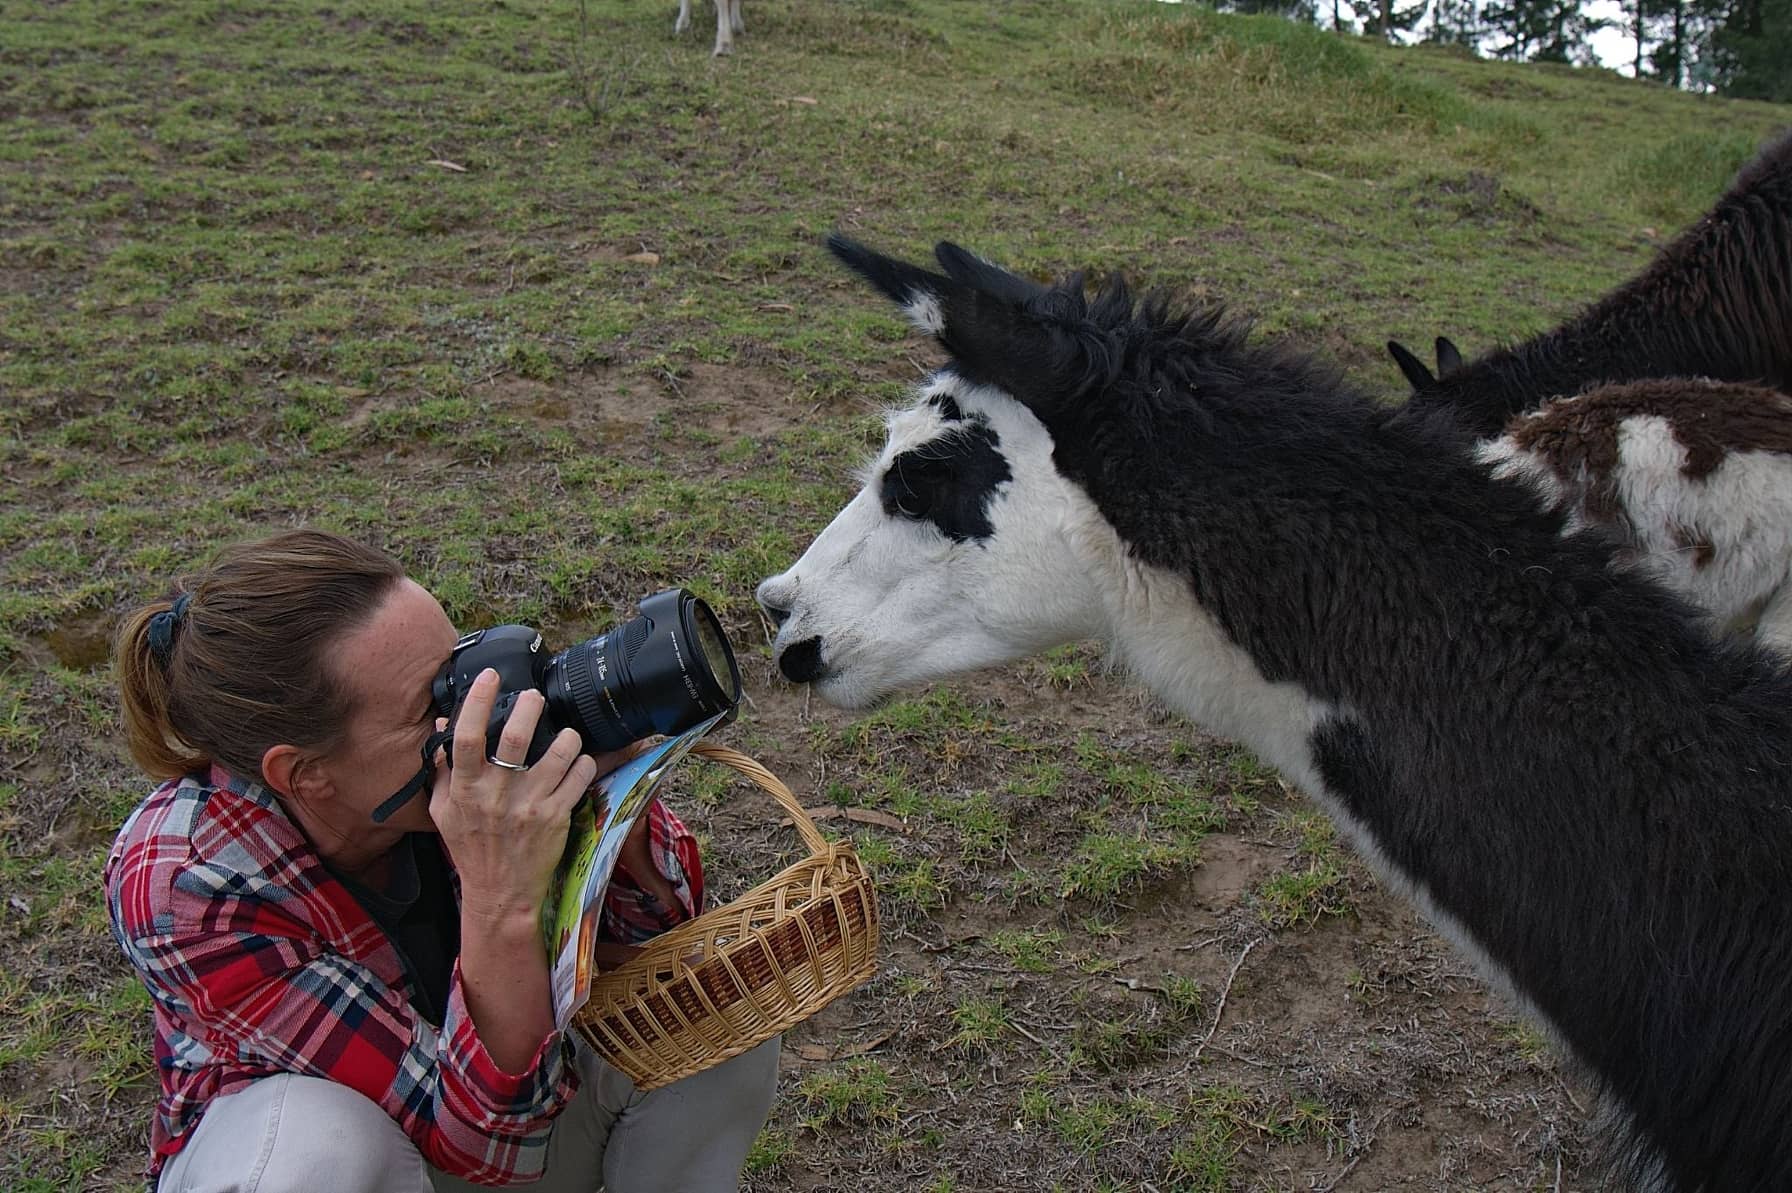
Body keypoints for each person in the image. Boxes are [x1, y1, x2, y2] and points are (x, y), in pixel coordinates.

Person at [105, 529, 779, 1192]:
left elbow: (652, 944)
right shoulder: (185, 879)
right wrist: (500, 894)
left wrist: (609, 806)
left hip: (516, 1115)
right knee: (320, 1144)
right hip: (367, 1158)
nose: (473, 710)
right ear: (306, 775)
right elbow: (480, 1144)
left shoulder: (452, 765)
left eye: (459, 665)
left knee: (711, 1001)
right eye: (433, 703)